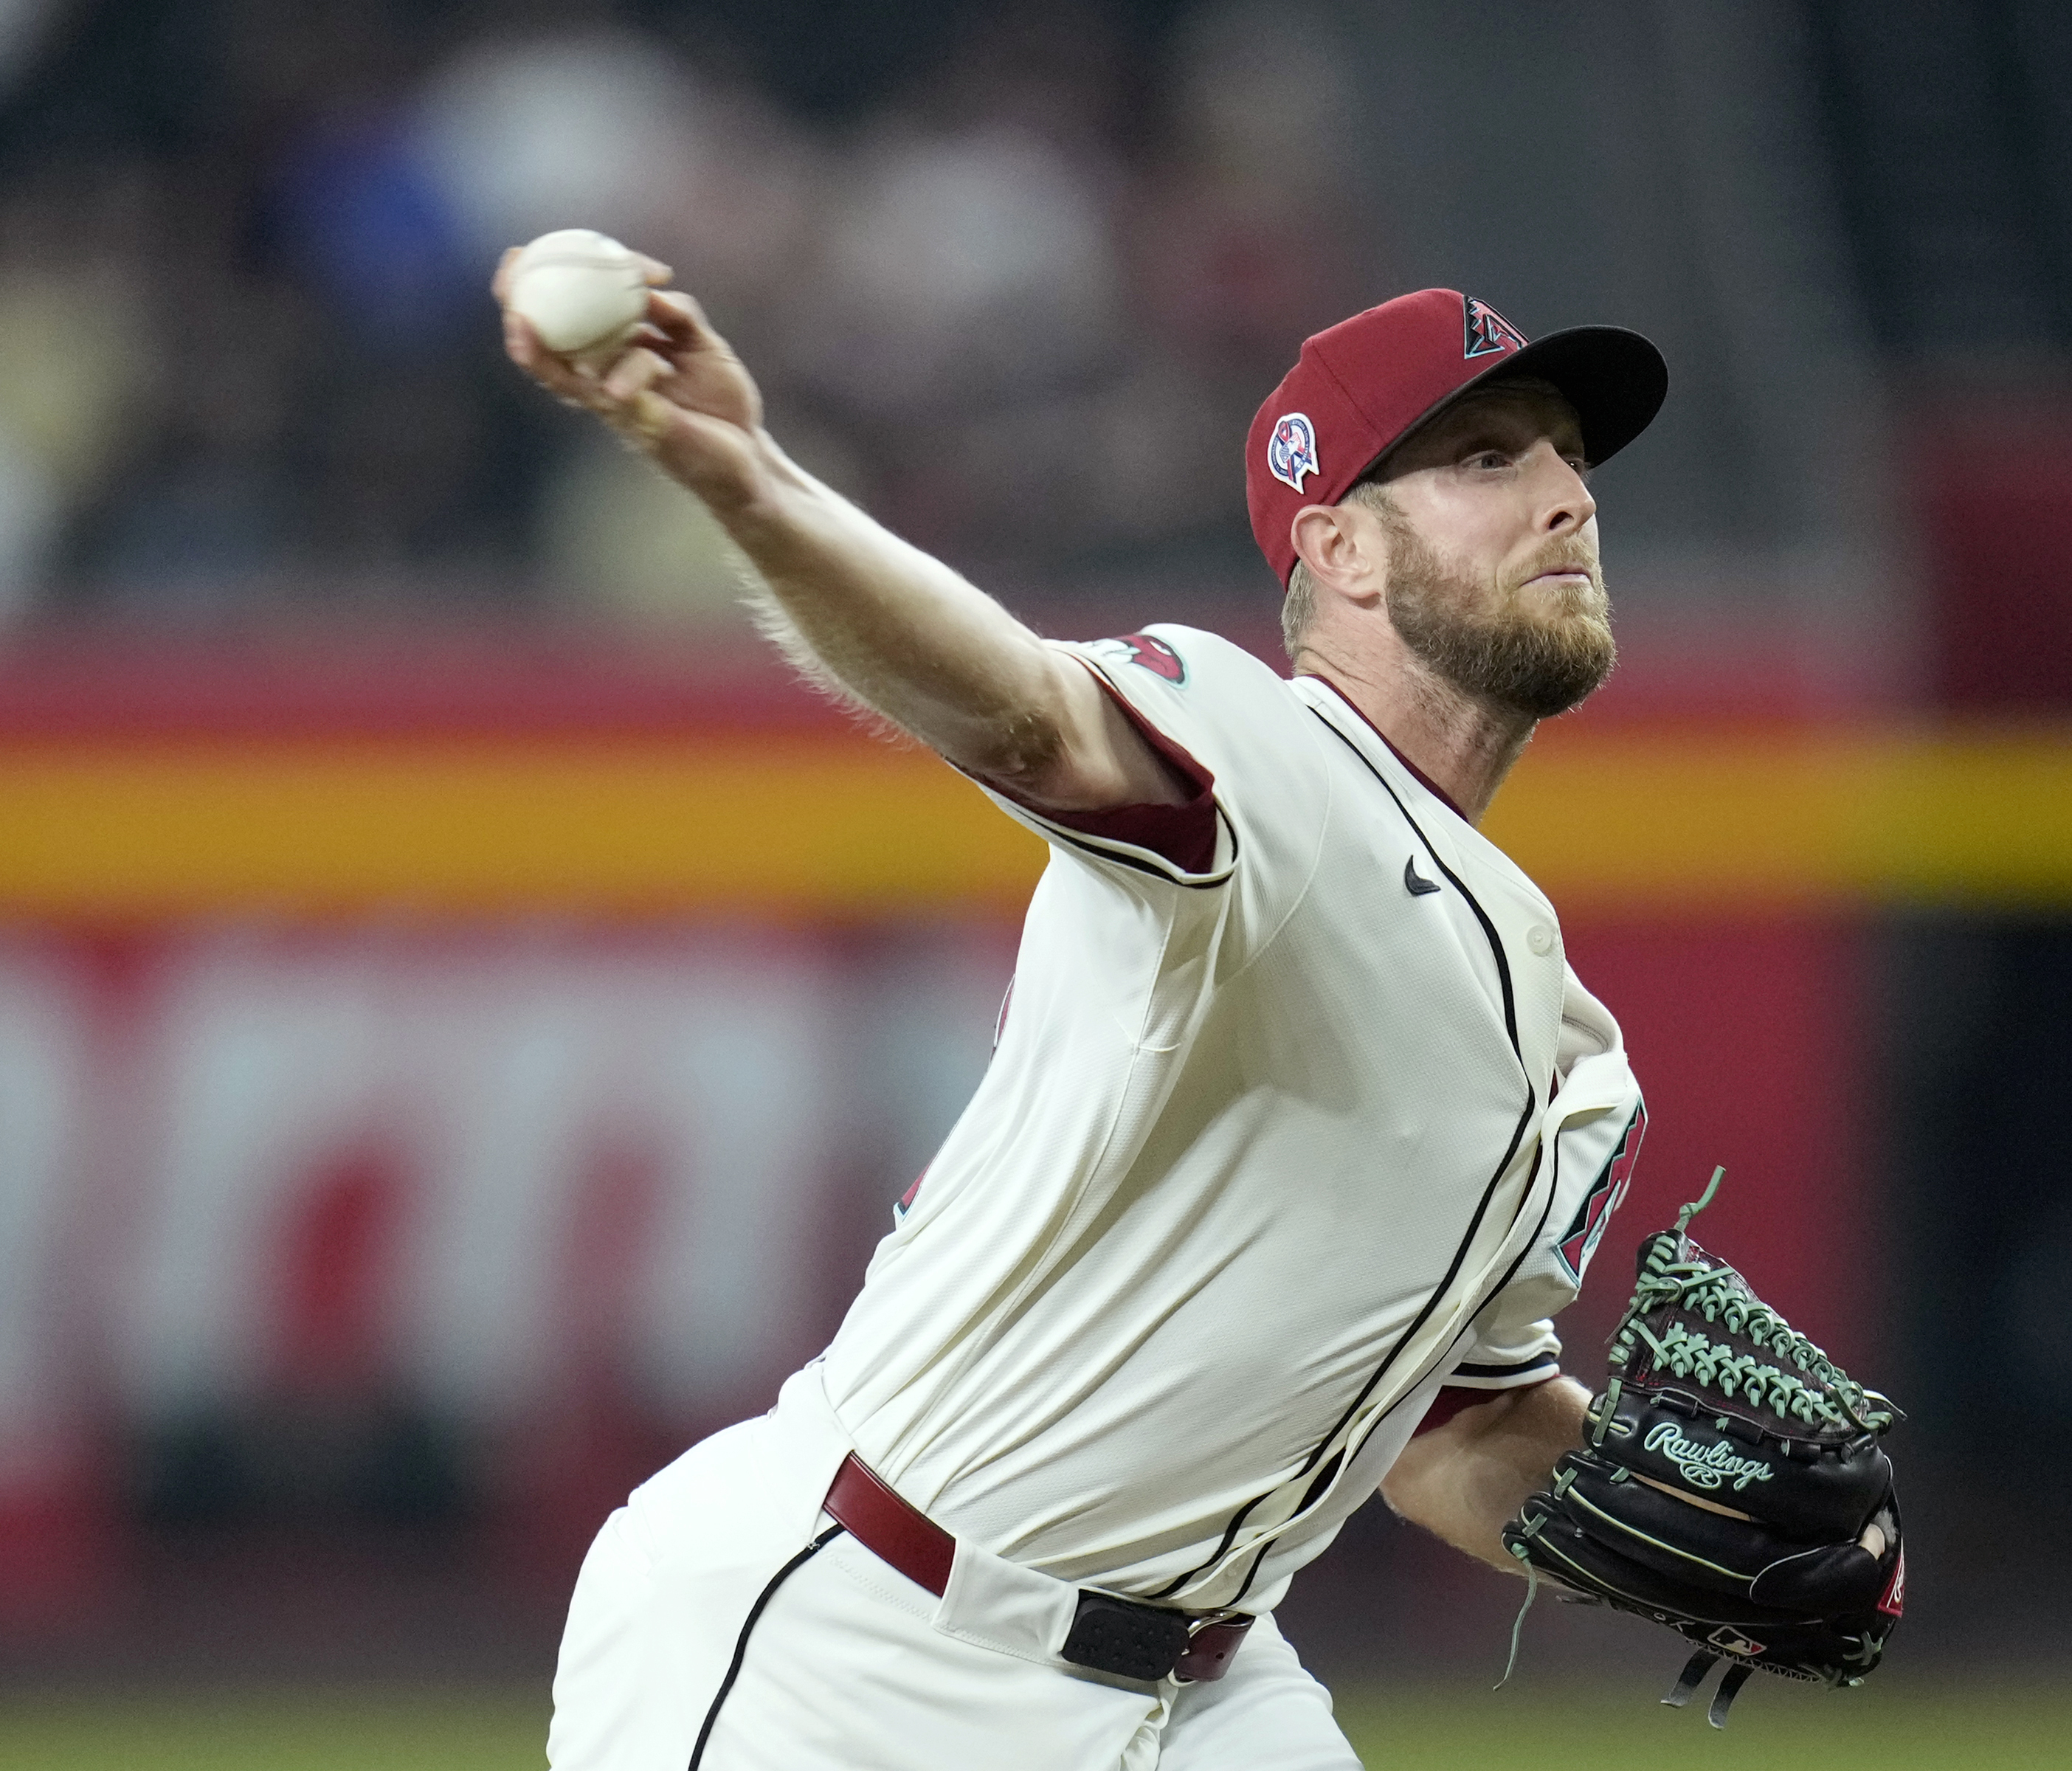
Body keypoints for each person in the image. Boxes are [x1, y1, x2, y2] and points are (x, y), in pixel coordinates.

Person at [500, 258, 1669, 1770]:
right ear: (1344, 553)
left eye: (1572, 456)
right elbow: (1023, 713)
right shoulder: (1265, 757)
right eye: (1488, 457)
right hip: (854, 1642)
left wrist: (1687, 1514)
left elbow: (1454, 1432)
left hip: (1207, 1697)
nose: (1568, 496)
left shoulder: (1575, 1066)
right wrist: (749, 479)